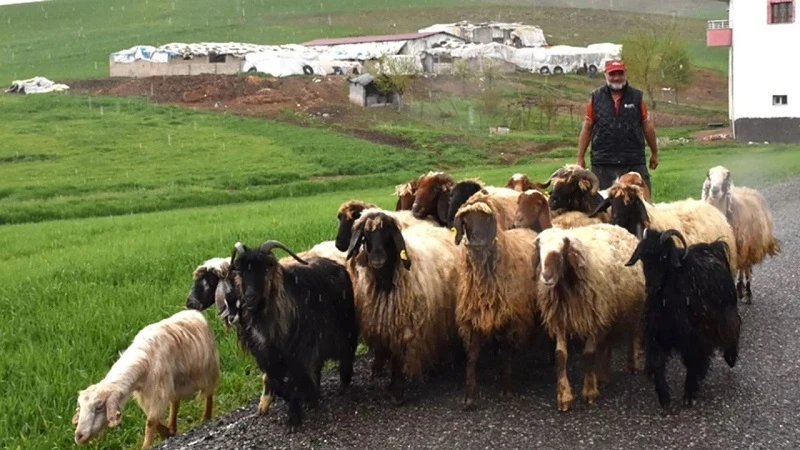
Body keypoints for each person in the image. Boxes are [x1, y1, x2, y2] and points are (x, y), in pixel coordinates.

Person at [577, 59, 659, 192]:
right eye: (612, 74)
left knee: (642, 202)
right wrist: (580, 157)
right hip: (603, 164)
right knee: (601, 204)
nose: (616, 78)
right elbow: (587, 128)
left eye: (620, 73)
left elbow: (647, 126)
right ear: (605, 75)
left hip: (633, 162)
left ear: (625, 74)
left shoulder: (637, 97)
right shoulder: (595, 97)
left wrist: (654, 152)